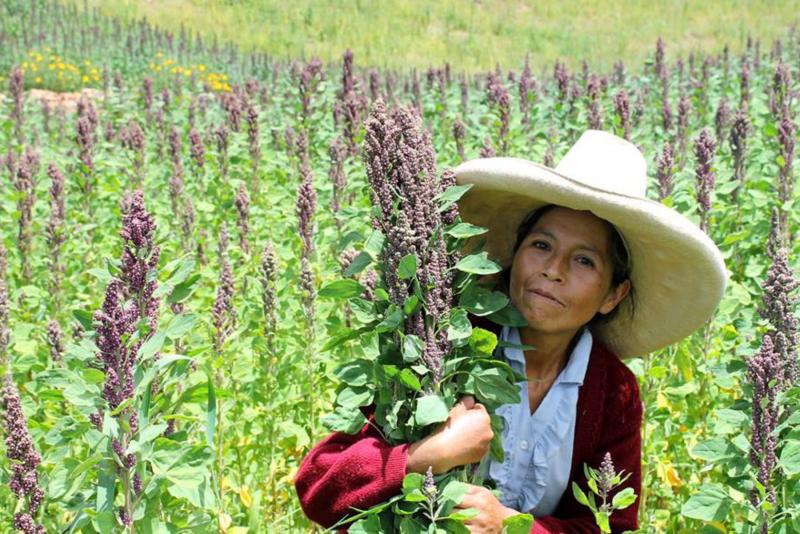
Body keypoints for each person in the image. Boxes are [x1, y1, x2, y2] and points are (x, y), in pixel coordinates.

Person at [294, 130, 727, 533]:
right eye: (541, 245)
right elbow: (317, 486)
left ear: (614, 294)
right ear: (513, 257)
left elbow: (608, 526)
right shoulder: (442, 346)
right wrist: (425, 456)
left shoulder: (612, 390)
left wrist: (510, 525)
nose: (553, 271)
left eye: (584, 261)